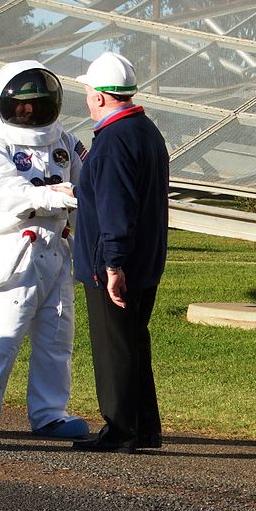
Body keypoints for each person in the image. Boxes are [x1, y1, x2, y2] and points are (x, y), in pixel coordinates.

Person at [0, 60, 89, 438]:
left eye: (36, 102)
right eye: (20, 103)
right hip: (13, 250)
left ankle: (49, 413)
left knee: (56, 338)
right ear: (4, 101)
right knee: (2, 335)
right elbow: (2, 193)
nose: (27, 111)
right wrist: (50, 195)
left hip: (57, 249)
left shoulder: (64, 141)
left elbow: (87, 176)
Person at [69, 52, 169, 453]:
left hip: (116, 263)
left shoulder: (112, 141)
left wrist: (113, 263)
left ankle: (121, 429)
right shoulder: (147, 131)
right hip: (146, 258)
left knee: (115, 348)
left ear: (100, 97)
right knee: (134, 343)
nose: (87, 96)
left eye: (89, 90)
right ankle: (145, 428)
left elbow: (115, 207)